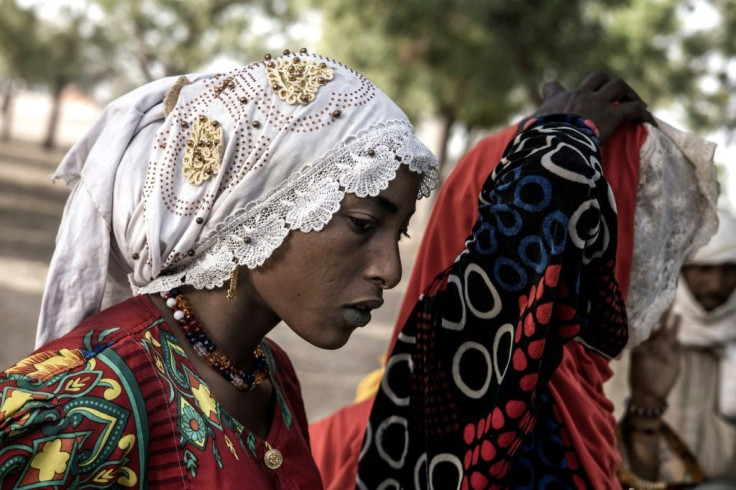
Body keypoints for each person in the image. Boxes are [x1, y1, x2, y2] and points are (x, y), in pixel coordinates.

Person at [0, 50, 441, 487]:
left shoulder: (271, 374)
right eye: (363, 224)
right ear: (260, 209)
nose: (391, 270)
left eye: (399, 233)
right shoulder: (83, 399)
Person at [310, 76, 719, 488]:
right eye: (632, 227)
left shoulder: (365, 426)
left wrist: (646, 407)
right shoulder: (527, 431)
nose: (647, 272)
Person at [618, 210, 736, 488]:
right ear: (679, 269)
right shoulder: (645, 338)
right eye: (704, 269)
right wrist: (646, 403)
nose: (716, 284)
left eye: (730, 270)